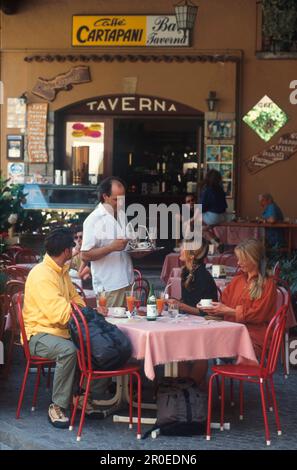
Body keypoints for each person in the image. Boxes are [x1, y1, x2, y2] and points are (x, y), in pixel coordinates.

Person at [23, 228, 86, 428]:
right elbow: (60, 314)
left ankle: (87, 397)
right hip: (39, 335)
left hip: (59, 331)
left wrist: (84, 312)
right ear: (66, 251)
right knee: (68, 351)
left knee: (96, 344)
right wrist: (83, 313)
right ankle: (57, 406)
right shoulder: (42, 274)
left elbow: (76, 299)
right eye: (72, 246)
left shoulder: (61, 271)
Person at [200, 238, 277, 357]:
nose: (238, 263)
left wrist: (228, 311)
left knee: (207, 345)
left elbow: (258, 315)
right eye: (238, 259)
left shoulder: (267, 284)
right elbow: (224, 305)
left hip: (253, 337)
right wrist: (212, 309)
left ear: (254, 259)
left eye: (243, 259)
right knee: (200, 342)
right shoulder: (237, 280)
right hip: (232, 332)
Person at [166, 239, 218, 387]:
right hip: (189, 322)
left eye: (183, 247)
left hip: (207, 323)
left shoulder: (201, 276)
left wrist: (180, 305)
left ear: (192, 254)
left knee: (200, 355)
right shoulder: (186, 272)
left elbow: (205, 311)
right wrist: (175, 302)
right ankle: (185, 389)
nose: (179, 249)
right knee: (175, 350)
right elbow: (188, 302)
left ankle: (190, 390)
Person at [81, 176, 134, 308]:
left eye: (123, 199)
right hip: (109, 285)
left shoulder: (122, 215)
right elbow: (85, 255)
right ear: (105, 196)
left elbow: (129, 248)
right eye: (117, 199)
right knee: (112, 326)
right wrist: (111, 248)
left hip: (128, 280)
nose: (121, 203)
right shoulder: (93, 219)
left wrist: (141, 249)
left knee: (130, 325)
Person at [200, 169, 227, 252]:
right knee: (204, 229)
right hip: (223, 216)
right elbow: (225, 205)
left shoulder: (207, 190)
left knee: (198, 228)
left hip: (212, 217)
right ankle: (216, 242)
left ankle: (215, 241)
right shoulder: (221, 190)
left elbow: (202, 207)